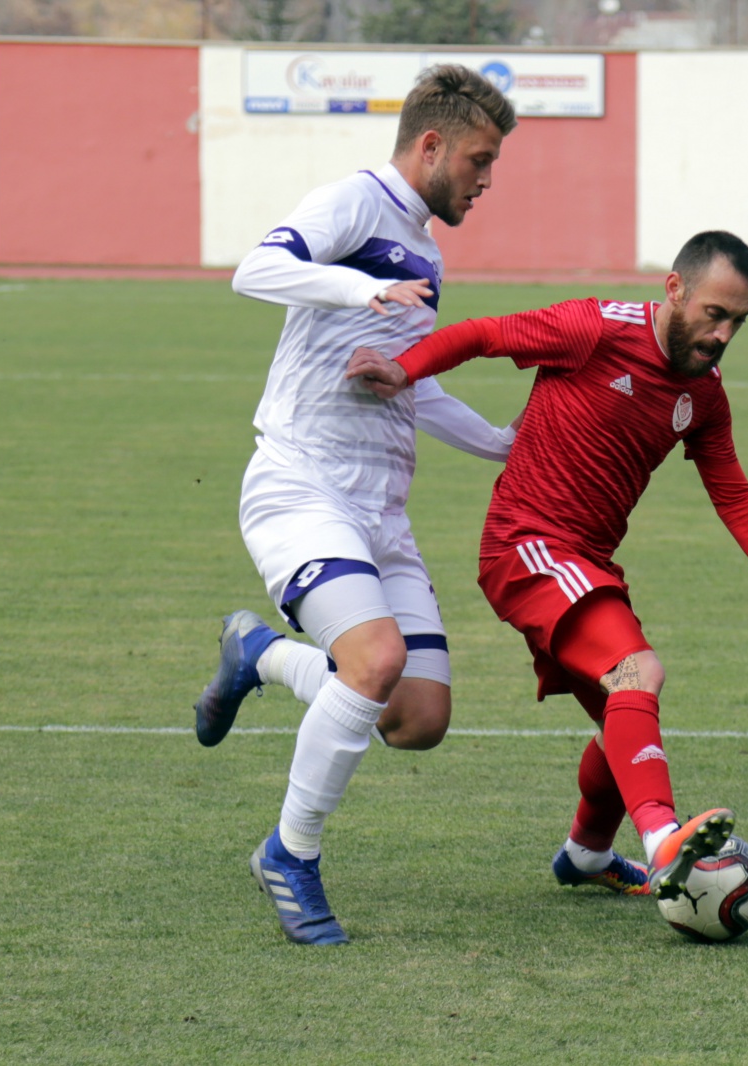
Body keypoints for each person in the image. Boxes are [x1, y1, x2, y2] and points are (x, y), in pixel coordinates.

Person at [346, 230, 748, 908]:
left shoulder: (703, 395)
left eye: (740, 321)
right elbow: (483, 333)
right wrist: (404, 369)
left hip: (586, 564)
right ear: (674, 289)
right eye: (715, 313)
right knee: (637, 675)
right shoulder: (594, 328)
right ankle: (665, 846)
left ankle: (586, 853)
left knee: (628, 720)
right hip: (527, 546)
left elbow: (732, 491)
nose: (725, 335)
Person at [191, 64, 519, 947]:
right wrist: (358, 287)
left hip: (381, 508)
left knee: (417, 717)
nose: (487, 180)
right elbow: (255, 270)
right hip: (301, 484)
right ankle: (288, 855)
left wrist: (501, 441)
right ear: (430, 145)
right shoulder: (352, 203)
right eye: (480, 160)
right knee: (371, 664)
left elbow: (407, 383)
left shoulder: (428, 253)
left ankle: (258, 655)